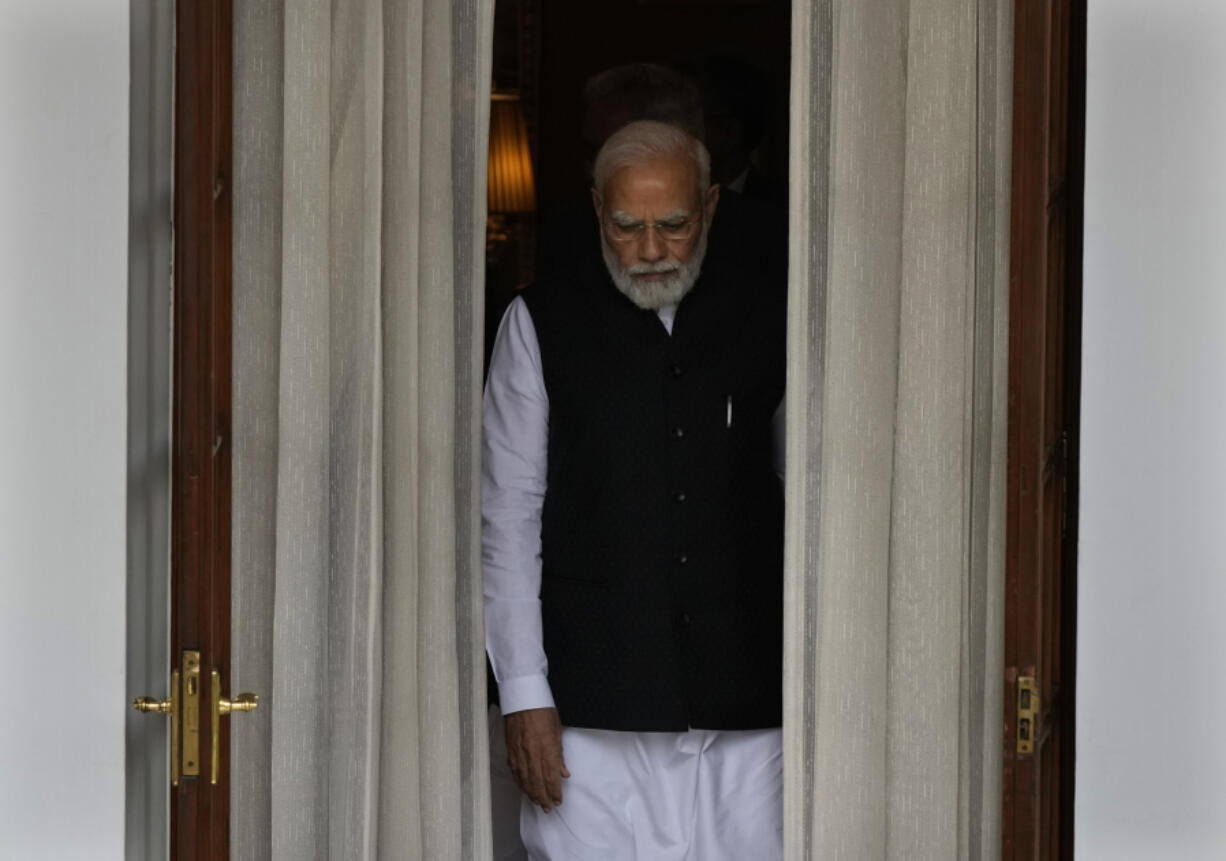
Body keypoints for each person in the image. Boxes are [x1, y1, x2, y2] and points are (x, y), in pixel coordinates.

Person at [483, 120, 786, 859]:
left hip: (748, 711)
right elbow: (509, 516)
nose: (650, 249)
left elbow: (806, 492)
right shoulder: (538, 322)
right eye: (627, 226)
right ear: (595, 210)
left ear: (711, 207)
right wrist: (525, 693)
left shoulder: (774, 317)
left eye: (674, 225)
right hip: (590, 717)